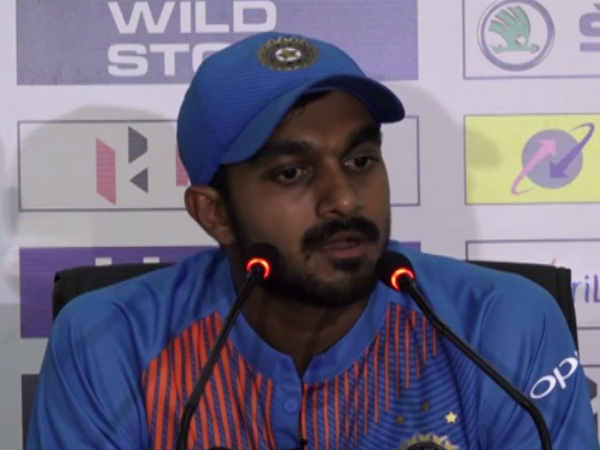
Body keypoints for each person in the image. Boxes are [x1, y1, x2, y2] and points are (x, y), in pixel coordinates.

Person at [27, 32, 598, 450]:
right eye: (291, 173)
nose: (344, 199)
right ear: (214, 213)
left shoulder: (499, 325)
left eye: (360, 160)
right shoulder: (112, 341)